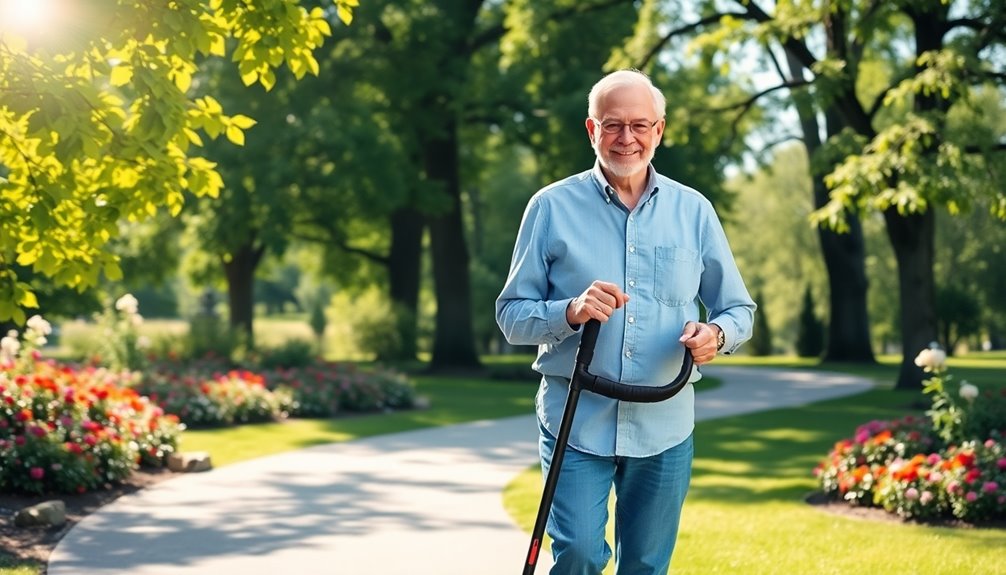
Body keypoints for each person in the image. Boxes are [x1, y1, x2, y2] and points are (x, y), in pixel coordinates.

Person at [495, 68, 756, 575]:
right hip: (576, 418)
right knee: (580, 554)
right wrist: (569, 311)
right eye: (612, 125)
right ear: (591, 130)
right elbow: (511, 316)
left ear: (659, 130)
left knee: (645, 565)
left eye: (640, 125)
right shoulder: (549, 207)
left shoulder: (695, 211)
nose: (627, 138)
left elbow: (738, 308)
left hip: (665, 421)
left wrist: (716, 335)